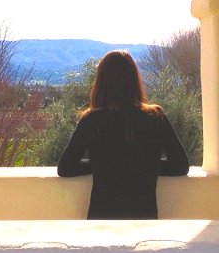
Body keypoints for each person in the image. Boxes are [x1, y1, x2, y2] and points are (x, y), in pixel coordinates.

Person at [57, 50, 190, 219]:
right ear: (135, 80)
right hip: (144, 221)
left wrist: (103, 164)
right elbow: (180, 166)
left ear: (101, 83)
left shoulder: (92, 120)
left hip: (101, 221)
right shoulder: (155, 117)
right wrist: (145, 165)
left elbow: (65, 168)